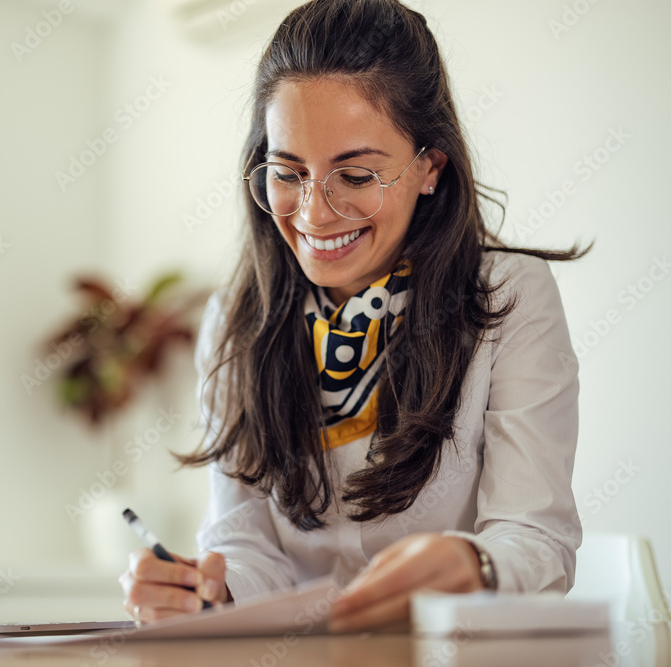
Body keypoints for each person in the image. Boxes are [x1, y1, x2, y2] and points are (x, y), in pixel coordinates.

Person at [119, 0, 588, 632]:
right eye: (288, 173)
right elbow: (245, 542)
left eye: (357, 174)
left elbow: (535, 538)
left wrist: (474, 566)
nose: (313, 215)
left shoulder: (509, 295)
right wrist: (208, 593)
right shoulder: (236, 319)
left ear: (429, 167)